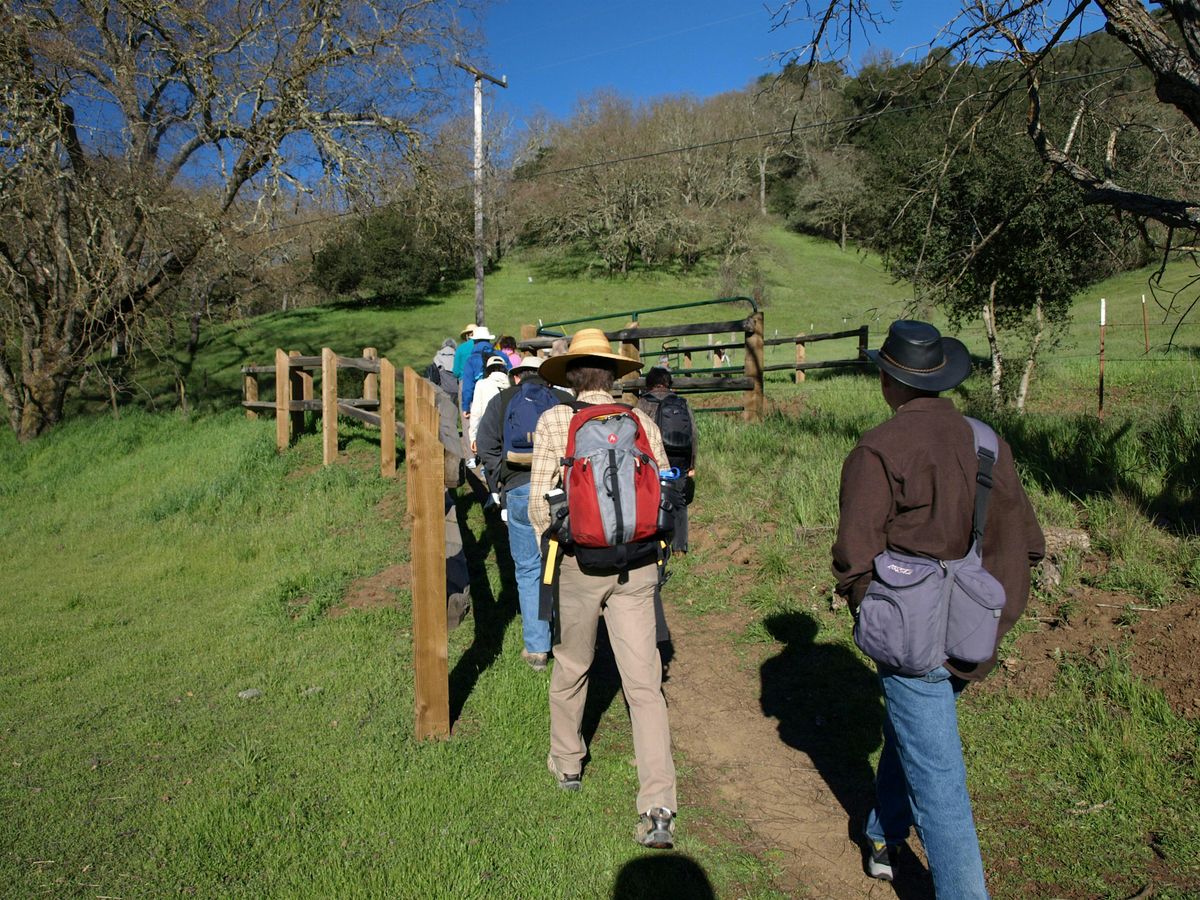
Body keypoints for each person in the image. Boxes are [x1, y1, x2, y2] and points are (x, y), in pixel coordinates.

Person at [831, 320, 1044, 896]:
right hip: (977, 627)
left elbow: (853, 554)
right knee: (917, 732)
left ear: (886, 380)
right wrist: (996, 611)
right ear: (942, 377)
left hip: (910, 632)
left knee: (940, 784)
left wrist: (873, 612)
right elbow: (1028, 542)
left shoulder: (879, 448)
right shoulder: (987, 442)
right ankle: (883, 832)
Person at [529, 328, 679, 850]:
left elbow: (538, 505)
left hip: (580, 566)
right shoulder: (640, 420)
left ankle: (567, 762)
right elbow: (665, 489)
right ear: (614, 375)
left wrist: (564, 544)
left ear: (571, 375)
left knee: (573, 664)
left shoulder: (555, 421)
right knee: (644, 685)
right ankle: (658, 806)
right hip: (637, 565)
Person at [475, 356, 573, 670]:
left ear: (516, 376)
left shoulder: (502, 401)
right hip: (559, 492)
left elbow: (485, 445)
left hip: (518, 490)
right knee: (562, 564)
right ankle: (568, 639)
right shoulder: (564, 399)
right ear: (546, 377)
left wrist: (499, 481)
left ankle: (537, 648)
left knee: (528, 568)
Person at [468, 355, 512, 452]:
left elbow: (476, 413)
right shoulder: (512, 385)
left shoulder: (481, 384)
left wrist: (473, 437)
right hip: (509, 430)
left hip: (488, 429)